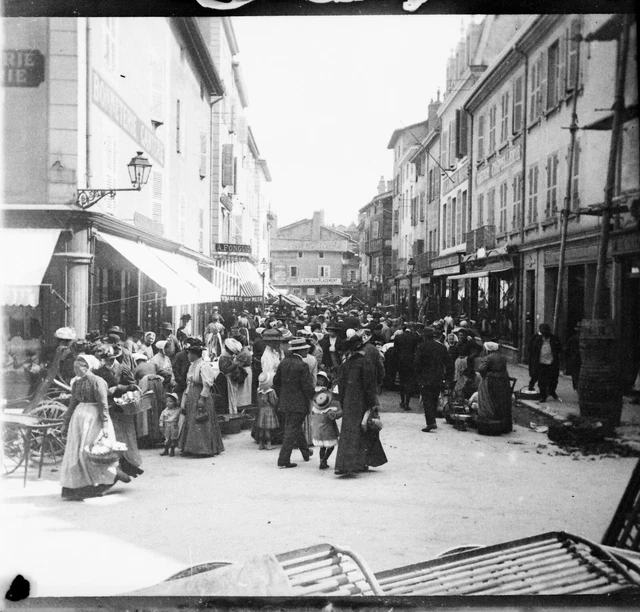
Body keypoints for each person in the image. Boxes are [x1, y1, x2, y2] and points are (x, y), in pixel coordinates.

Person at [60, 354, 127, 500]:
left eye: (79, 367)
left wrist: (104, 425)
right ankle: (79, 484)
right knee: (77, 452)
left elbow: (103, 404)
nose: (76, 370)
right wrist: (66, 422)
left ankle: (108, 478)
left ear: (87, 367)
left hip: (94, 418)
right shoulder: (77, 383)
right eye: (74, 368)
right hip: (79, 420)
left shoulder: (97, 381)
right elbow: (72, 403)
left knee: (93, 451)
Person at [334, 334, 387, 476]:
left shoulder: (345, 365)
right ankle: (360, 462)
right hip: (362, 401)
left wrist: (343, 403)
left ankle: (344, 464)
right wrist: (373, 403)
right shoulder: (366, 363)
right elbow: (369, 387)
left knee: (348, 433)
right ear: (362, 347)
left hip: (348, 401)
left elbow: (341, 387)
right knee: (365, 430)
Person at [93, 344, 144, 478]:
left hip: (123, 407)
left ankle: (130, 465)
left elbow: (133, 386)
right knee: (112, 437)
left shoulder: (123, 369)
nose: (109, 362)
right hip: (108, 407)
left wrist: (118, 388)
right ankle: (117, 466)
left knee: (126, 437)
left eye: (111, 359)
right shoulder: (99, 372)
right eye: (106, 359)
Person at [273, 337, 316, 468]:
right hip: (299, 402)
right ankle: (283, 459)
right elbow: (307, 386)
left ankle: (305, 452)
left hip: (285, 401)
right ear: (301, 350)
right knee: (292, 428)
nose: (307, 351)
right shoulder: (303, 365)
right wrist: (314, 397)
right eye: (306, 349)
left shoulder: (284, 362)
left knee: (295, 426)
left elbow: (276, 381)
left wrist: (283, 394)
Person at [179, 339, 225, 457]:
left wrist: (202, 398)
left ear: (195, 354)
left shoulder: (204, 366)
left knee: (200, 419)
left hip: (200, 394)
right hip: (192, 394)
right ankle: (191, 448)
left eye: (189, 353)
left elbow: (207, 383)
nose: (188, 355)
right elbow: (189, 383)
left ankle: (202, 448)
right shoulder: (192, 366)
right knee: (191, 419)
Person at [414, 327, 452, 432]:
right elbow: (449, 363)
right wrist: (448, 377)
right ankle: (433, 419)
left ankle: (431, 422)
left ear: (424, 337)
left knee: (427, 400)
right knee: (434, 398)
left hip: (425, 377)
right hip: (438, 377)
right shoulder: (442, 347)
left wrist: (418, 376)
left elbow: (417, 363)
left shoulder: (421, 347)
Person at [476, 341, 513, 434]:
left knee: (490, 400)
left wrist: (486, 375)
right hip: (503, 381)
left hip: (492, 381)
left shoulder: (488, 358)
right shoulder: (502, 357)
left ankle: (491, 420)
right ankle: (504, 426)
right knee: (502, 402)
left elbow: (481, 369)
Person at [529, 323, 562, 404]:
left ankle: (552, 391)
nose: (544, 334)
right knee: (542, 381)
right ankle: (543, 396)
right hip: (541, 363)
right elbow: (533, 350)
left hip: (552, 363)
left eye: (545, 332)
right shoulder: (538, 339)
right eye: (543, 333)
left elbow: (559, 348)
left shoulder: (554, 339)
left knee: (553, 380)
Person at [218, 338, 252, 415]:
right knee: (229, 398)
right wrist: (234, 365)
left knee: (232, 397)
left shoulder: (227, 356)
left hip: (229, 380)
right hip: (226, 380)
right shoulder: (224, 357)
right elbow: (225, 369)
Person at [310, 388, 340, 470]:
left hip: (318, 431)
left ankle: (321, 461)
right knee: (331, 447)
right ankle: (324, 460)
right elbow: (336, 416)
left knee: (322, 447)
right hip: (327, 431)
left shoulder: (315, 410)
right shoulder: (329, 411)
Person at [394, 322, 422, 411]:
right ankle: (407, 403)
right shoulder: (414, 338)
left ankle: (402, 401)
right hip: (410, 362)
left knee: (402, 382)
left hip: (401, 362)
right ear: (412, 328)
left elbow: (396, 351)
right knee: (409, 382)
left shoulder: (398, 337)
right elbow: (416, 350)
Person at [256, 372, 279, 450]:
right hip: (269, 410)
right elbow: (273, 402)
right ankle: (269, 444)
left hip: (262, 410)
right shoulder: (271, 391)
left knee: (262, 428)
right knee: (267, 429)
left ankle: (261, 444)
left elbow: (258, 401)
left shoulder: (259, 391)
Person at [159, 392, 181, 457]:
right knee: (167, 438)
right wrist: (161, 425)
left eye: (170, 401)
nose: (168, 403)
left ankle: (172, 450)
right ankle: (166, 450)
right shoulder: (165, 411)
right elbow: (161, 418)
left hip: (174, 426)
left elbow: (179, 415)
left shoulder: (177, 410)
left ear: (175, 402)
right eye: (167, 401)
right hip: (166, 425)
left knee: (173, 438)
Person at [564, 323, 581, 391]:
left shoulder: (572, 338)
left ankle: (577, 388)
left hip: (574, 359)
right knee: (577, 375)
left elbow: (567, 350)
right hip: (577, 359)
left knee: (575, 375)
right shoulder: (574, 339)